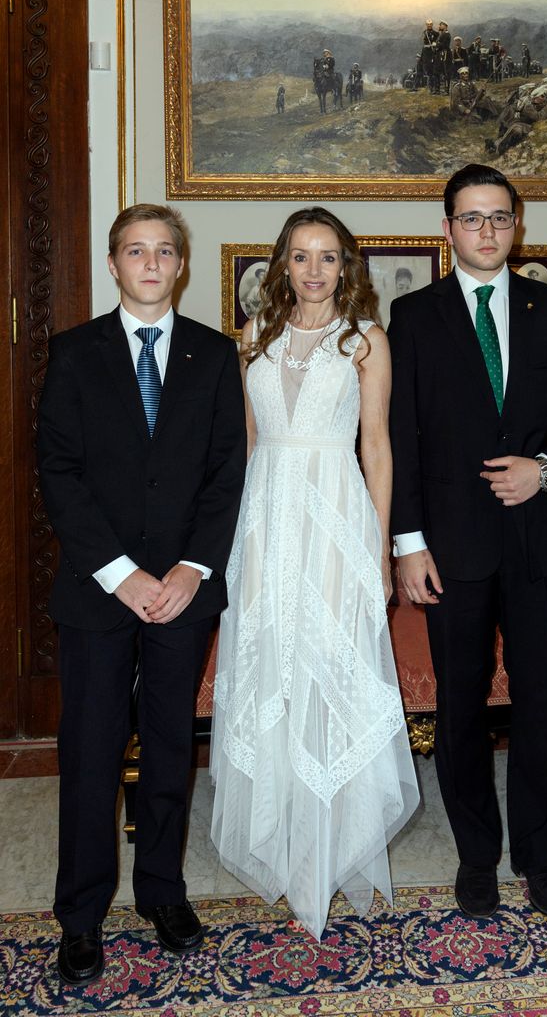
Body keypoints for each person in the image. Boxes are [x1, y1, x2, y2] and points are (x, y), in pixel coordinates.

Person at [388, 164, 547, 922]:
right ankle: (476, 857)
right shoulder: (412, 316)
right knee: (458, 708)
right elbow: (401, 440)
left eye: (499, 218)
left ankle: (538, 857)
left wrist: (545, 469)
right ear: (446, 227)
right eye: (470, 218)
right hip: (449, 547)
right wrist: (408, 544)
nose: (485, 231)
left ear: (517, 226)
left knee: (539, 704)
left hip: (537, 543)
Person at [38, 204, 247, 985]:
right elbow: (57, 473)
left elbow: (228, 475)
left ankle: (162, 890)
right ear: (114, 263)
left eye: (164, 250)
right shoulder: (72, 354)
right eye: (136, 250)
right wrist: (120, 574)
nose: (151, 263)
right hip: (99, 594)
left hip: (184, 592)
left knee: (168, 748)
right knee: (89, 754)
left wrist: (192, 568)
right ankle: (81, 915)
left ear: (181, 264)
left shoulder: (213, 355)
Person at [210, 206, 419, 940]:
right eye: (300, 257)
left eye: (327, 257)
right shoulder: (251, 341)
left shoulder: (365, 342)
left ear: (345, 267)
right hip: (265, 525)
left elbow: (378, 450)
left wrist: (380, 549)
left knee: (327, 676)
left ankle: (324, 858)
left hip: (335, 523)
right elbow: (243, 447)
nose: (313, 270)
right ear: (281, 266)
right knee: (275, 671)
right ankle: (285, 840)